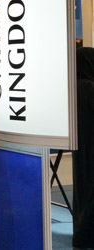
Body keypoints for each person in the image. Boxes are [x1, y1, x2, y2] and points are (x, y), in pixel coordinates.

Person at [73, 47, 94, 249]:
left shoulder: (74, 88)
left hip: (81, 147)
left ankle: (80, 234)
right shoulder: (89, 88)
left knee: (83, 191)